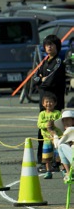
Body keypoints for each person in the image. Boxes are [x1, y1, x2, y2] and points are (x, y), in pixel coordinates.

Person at [35, 34, 66, 164]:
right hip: (43, 102)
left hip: (54, 102)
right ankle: (42, 158)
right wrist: (40, 79)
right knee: (42, 130)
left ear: (57, 47)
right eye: (47, 45)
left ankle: (57, 159)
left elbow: (49, 81)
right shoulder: (44, 61)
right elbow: (35, 78)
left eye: (51, 45)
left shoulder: (58, 62)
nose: (49, 47)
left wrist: (42, 79)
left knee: (55, 130)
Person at [39, 93, 62, 179]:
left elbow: (61, 123)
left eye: (51, 102)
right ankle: (48, 171)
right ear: (43, 104)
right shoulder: (42, 114)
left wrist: (54, 124)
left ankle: (63, 170)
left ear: (55, 103)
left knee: (59, 155)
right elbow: (39, 124)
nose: (49, 104)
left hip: (57, 138)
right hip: (47, 139)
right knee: (47, 156)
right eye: (47, 102)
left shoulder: (57, 113)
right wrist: (46, 125)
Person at [50, 109, 74, 182]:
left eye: (67, 120)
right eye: (63, 120)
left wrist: (54, 135)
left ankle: (68, 173)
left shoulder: (70, 129)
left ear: (73, 121)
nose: (65, 122)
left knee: (61, 147)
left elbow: (58, 144)